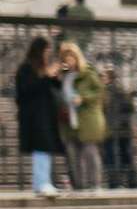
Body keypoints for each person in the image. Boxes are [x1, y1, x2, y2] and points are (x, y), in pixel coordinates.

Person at [13, 38, 64, 197]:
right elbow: (27, 90)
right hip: (33, 117)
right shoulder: (25, 69)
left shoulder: (43, 69)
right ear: (39, 51)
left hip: (46, 115)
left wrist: (55, 77)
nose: (48, 53)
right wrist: (45, 76)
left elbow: (54, 88)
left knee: (45, 149)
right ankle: (42, 183)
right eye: (46, 50)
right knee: (41, 149)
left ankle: (41, 182)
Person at [57, 42, 107, 192]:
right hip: (69, 120)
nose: (68, 61)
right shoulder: (64, 76)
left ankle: (95, 184)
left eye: (71, 58)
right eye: (66, 58)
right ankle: (79, 186)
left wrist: (83, 97)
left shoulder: (88, 73)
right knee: (72, 153)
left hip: (87, 119)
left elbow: (99, 91)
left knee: (89, 151)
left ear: (77, 58)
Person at [100, 65, 137, 188]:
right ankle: (131, 181)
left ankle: (114, 182)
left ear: (109, 78)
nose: (102, 79)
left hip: (112, 129)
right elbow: (130, 109)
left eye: (104, 76)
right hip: (123, 129)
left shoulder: (106, 92)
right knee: (126, 155)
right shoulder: (122, 92)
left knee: (111, 155)